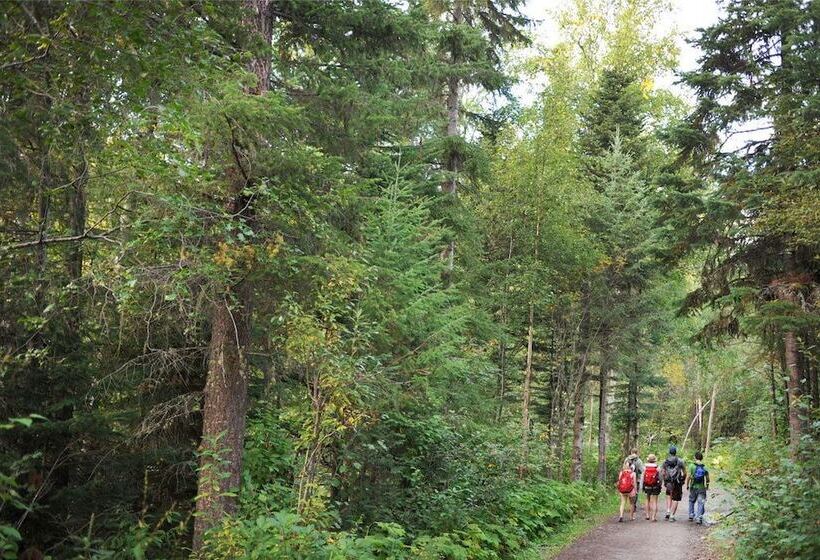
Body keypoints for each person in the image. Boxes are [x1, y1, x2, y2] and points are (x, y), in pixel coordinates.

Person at [662, 445, 686, 521]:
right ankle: (672, 516)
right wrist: (683, 479)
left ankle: (668, 512)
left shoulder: (665, 461)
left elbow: (663, 472)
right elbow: (685, 472)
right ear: (675, 452)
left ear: (669, 452)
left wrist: (664, 480)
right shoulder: (680, 461)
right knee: (675, 499)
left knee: (669, 496)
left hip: (669, 482)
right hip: (677, 482)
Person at [687, 451, 710, 524]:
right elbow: (708, 478)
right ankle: (699, 517)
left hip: (693, 486)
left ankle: (691, 514)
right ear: (701, 458)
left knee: (691, 500)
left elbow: (688, 477)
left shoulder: (691, 466)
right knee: (701, 502)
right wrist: (707, 486)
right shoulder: (704, 466)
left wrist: (687, 485)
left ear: (695, 457)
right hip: (701, 487)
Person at [641, 453, 662, 521]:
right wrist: (660, 485)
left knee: (647, 499)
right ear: (654, 460)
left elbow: (642, 478)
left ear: (648, 460)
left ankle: (647, 515)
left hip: (647, 485)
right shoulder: (657, 467)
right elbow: (660, 478)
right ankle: (653, 517)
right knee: (655, 501)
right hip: (655, 486)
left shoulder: (644, 467)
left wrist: (642, 487)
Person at [625, 448, 644, 516]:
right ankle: (633, 506)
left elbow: (623, 468)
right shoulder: (639, 460)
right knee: (635, 492)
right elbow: (642, 470)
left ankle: (627, 505)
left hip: (627, 479)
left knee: (627, 491)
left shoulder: (627, 459)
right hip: (636, 479)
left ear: (631, 452)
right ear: (637, 452)